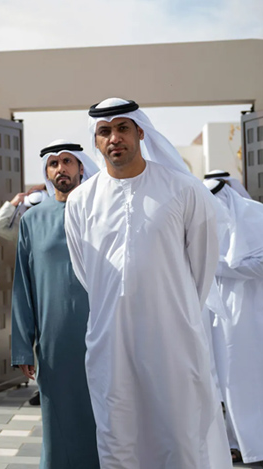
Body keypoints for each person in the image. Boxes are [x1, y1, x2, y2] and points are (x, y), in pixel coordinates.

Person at [64, 97, 231, 468]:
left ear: (140, 132)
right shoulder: (80, 201)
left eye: (122, 128)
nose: (114, 138)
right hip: (110, 341)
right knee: (117, 438)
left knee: (179, 435)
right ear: (96, 141)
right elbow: (86, 272)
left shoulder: (183, 189)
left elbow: (201, 269)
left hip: (173, 340)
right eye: (104, 131)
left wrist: (169, 308)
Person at [11, 140, 99, 469]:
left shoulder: (100, 213)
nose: (61, 168)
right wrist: (22, 346)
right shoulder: (33, 220)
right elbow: (23, 285)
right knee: (58, 424)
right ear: (47, 172)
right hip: (54, 343)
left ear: (80, 167)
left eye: (67, 161)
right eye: (53, 163)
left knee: (104, 420)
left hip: (102, 337)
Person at [204, 178, 263, 465]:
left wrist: (217, 265)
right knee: (221, 380)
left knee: (247, 377)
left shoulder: (254, 216)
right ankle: (234, 443)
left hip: (250, 311)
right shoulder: (201, 218)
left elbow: (260, 265)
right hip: (213, 313)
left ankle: (254, 444)